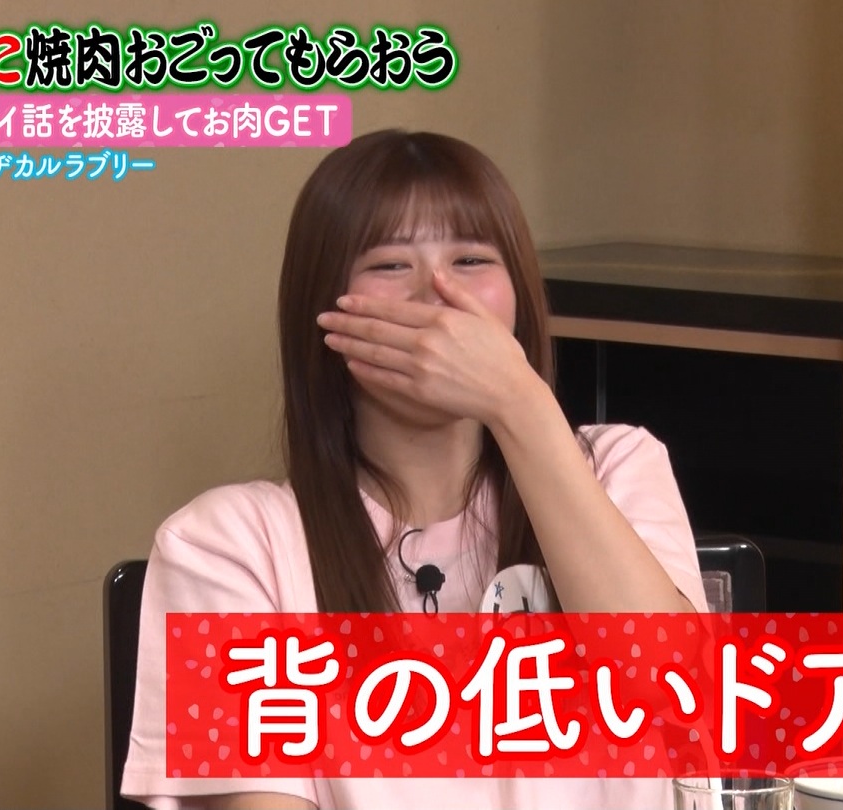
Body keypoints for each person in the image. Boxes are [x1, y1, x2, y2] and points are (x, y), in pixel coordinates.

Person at [120, 129, 707, 810]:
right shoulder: (228, 545)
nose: (439, 294)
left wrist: (520, 404)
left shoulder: (617, 468)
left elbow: (677, 700)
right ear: (322, 310)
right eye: (391, 264)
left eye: (471, 259)